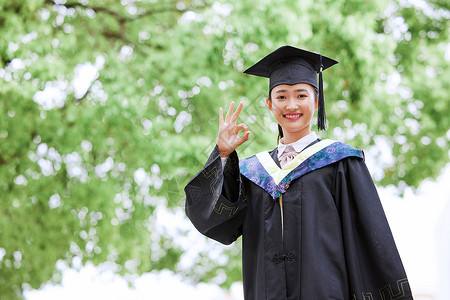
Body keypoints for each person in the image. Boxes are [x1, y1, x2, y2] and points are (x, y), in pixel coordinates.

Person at [184, 45, 413, 300]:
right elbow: (214, 222)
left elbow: (371, 239)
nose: (291, 104)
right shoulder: (253, 173)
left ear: (316, 101)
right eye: (281, 97)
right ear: (269, 105)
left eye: (301, 95)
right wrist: (223, 155)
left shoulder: (340, 162)